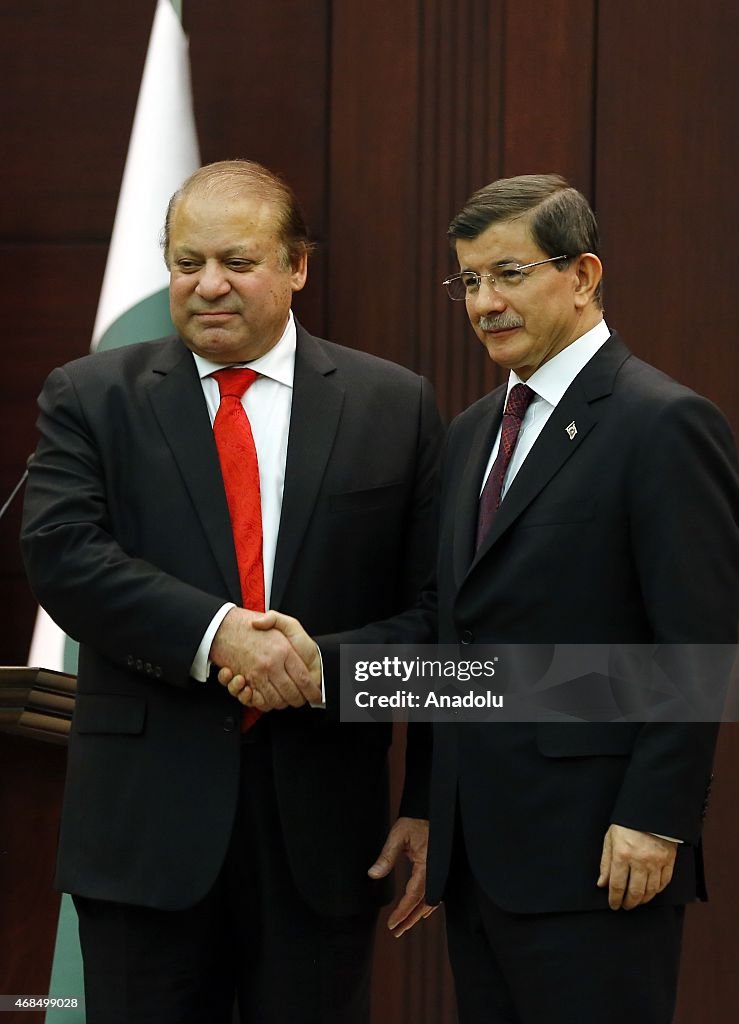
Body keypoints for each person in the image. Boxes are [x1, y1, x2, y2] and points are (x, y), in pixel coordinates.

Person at [21, 159, 443, 1024]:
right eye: (186, 262)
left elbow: (440, 616)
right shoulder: (91, 396)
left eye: (238, 262)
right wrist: (221, 637)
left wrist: (328, 681)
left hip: (323, 837)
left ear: (297, 267)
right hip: (143, 834)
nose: (208, 285)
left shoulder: (392, 405)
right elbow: (64, 553)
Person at [418, 174, 739, 1023]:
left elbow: (697, 645)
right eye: (469, 281)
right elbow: (457, 641)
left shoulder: (664, 422)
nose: (485, 301)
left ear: (584, 275)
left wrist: (657, 819)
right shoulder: (470, 432)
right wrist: (423, 804)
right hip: (480, 861)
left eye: (509, 273)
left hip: (603, 854)